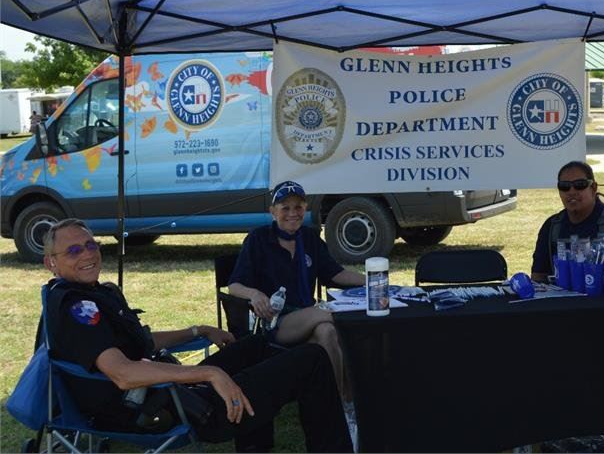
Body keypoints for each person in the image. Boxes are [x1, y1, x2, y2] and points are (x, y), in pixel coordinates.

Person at [42, 218, 352, 453]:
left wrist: (199, 330)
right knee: (311, 360)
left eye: (91, 245)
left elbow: (142, 343)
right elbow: (122, 374)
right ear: (51, 262)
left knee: (257, 346)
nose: (87, 254)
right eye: (72, 250)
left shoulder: (94, 294)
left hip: (165, 387)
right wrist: (207, 372)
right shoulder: (77, 308)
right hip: (155, 407)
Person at [228, 180, 364, 403]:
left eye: (298, 207)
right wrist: (254, 294)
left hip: (309, 317)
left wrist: (372, 281)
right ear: (273, 212)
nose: (293, 213)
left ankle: (340, 401)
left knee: (327, 331)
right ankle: (349, 400)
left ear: (305, 208)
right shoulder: (258, 239)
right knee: (332, 315)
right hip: (275, 322)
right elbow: (235, 285)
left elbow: (335, 274)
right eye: (285, 208)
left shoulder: (309, 238)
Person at [530, 161, 604, 281]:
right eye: (564, 186)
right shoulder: (551, 226)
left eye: (579, 185)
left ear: (593, 188)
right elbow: (538, 276)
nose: (571, 192)